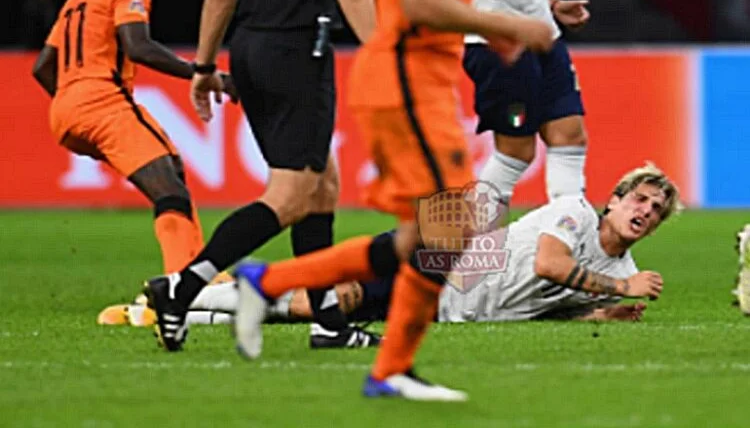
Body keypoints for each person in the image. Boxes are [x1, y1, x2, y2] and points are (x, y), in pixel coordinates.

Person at [147, 0, 554, 402]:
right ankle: (368, 355)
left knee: (408, 230)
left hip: (331, 61)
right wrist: (509, 25)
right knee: (441, 226)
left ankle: (290, 297)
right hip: (394, 76)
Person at [144, 0, 379, 350]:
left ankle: (328, 321)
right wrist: (382, 53)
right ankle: (183, 289)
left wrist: (205, 66)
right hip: (297, 51)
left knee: (321, 183)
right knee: (291, 195)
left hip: (250, 50)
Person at [132, 164, 676, 327]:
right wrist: (617, 287)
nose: (644, 213)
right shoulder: (575, 210)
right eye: (640, 200)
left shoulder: (621, 266)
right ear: (615, 199)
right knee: (330, 299)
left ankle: (185, 306)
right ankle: (185, 293)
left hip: (452, 305)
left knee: (322, 310)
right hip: (451, 259)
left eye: (655, 212)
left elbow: (546, 306)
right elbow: (549, 264)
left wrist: (599, 315)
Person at [31, 0, 234, 288]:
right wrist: (205, 74)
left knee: (171, 169)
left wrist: (74, 100)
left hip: (66, 110)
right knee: (170, 189)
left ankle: (199, 275)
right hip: (102, 101)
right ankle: (184, 288)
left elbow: (43, 67)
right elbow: (138, 47)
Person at [465, 0, 591, 206]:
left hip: (542, 32)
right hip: (499, 39)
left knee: (570, 136)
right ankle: (472, 247)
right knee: (516, 152)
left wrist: (549, 4)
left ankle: (568, 238)